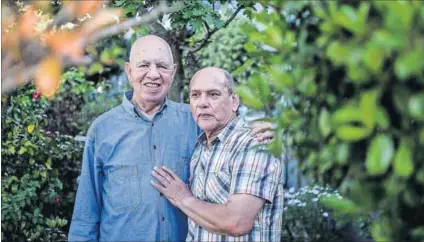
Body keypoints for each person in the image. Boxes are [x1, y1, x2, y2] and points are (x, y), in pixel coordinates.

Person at [68, 35, 273, 241]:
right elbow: (86, 214)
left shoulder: (196, 121)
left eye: (162, 66)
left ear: (173, 72)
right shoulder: (103, 129)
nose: (154, 74)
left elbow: (231, 131)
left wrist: (260, 129)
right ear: (129, 71)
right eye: (144, 65)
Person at [152, 67, 284, 241]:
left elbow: (237, 222)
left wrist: (183, 198)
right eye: (195, 95)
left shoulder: (253, 144)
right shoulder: (201, 147)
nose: (202, 103)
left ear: (234, 101)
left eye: (213, 94)